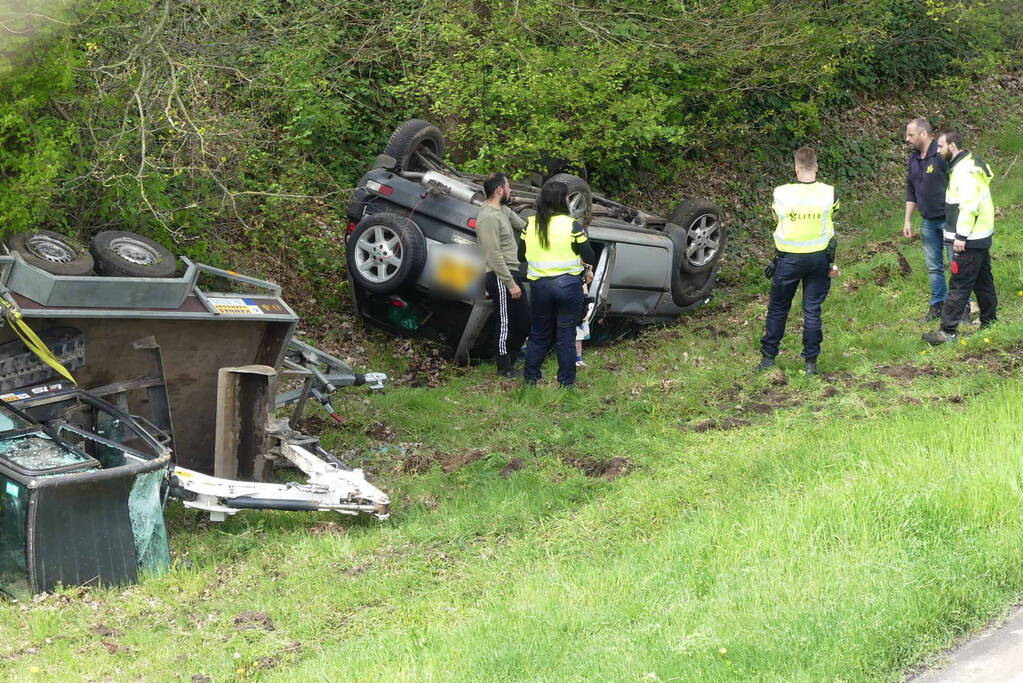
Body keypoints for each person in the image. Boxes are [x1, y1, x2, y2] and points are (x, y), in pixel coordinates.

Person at [757, 147, 839, 376]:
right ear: (817, 167)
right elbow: (833, 213)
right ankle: (810, 364)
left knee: (778, 309)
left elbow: (776, 217)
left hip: (789, 260)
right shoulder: (829, 193)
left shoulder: (781, 193)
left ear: (795, 168)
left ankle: (768, 359)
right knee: (812, 310)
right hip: (819, 259)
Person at [922, 129, 997, 345]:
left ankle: (948, 332)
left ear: (952, 146)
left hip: (969, 237)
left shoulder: (964, 171)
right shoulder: (966, 164)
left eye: (940, 146)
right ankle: (990, 320)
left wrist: (961, 237)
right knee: (983, 280)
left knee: (959, 283)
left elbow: (969, 206)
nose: (937, 150)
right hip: (980, 235)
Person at [522, 180, 596, 388]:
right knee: (566, 336)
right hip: (568, 287)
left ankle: (530, 380)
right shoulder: (571, 225)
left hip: (540, 287)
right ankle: (566, 383)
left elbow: (520, 254)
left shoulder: (530, 223)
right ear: (563, 200)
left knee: (538, 334)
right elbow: (589, 255)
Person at [477, 172, 530, 377]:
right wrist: (510, 283)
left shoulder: (503, 210)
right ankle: (503, 367)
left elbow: (523, 225)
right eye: (508, 187)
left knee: (524, 321)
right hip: (500, 276)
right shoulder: (488, 217)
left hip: (512, 272)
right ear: (499, 190)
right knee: (505, 322)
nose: (511, 191)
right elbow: (492, 254)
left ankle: (512, 359)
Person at [902, 117, 951, 322]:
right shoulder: (914, 159)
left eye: (910, 135)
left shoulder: (941, 154)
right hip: (928, 222)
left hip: (949, 219)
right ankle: (937, 306)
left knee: (956, 265)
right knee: (933, 266)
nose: (907, 139)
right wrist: (908, 221)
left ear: (923, 134)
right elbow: (911, 191)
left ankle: (962, 308)